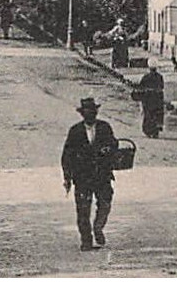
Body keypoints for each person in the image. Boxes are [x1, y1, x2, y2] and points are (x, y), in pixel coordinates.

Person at [59, 96, 119, 250]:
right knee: (83, 209)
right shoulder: (75, 131)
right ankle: (86, 241)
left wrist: (108, 150)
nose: (90, 114)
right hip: (82, 177)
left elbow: (114, 144)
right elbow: (67, 155)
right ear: (82, 113)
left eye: (93, 111)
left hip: (102, 175)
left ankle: (98, 227)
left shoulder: (105, 127)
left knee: (105, 203)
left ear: (96, 112)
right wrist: (67, 177)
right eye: (87, 111)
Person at [131, 59, 166, 138]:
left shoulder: (146, 77)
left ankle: (149, 131)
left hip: (148, 99)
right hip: (157, 99)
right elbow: (161, 87)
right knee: (156, 114)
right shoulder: (159, 77)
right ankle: (155, 131)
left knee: (148, 115)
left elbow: (141, 87)